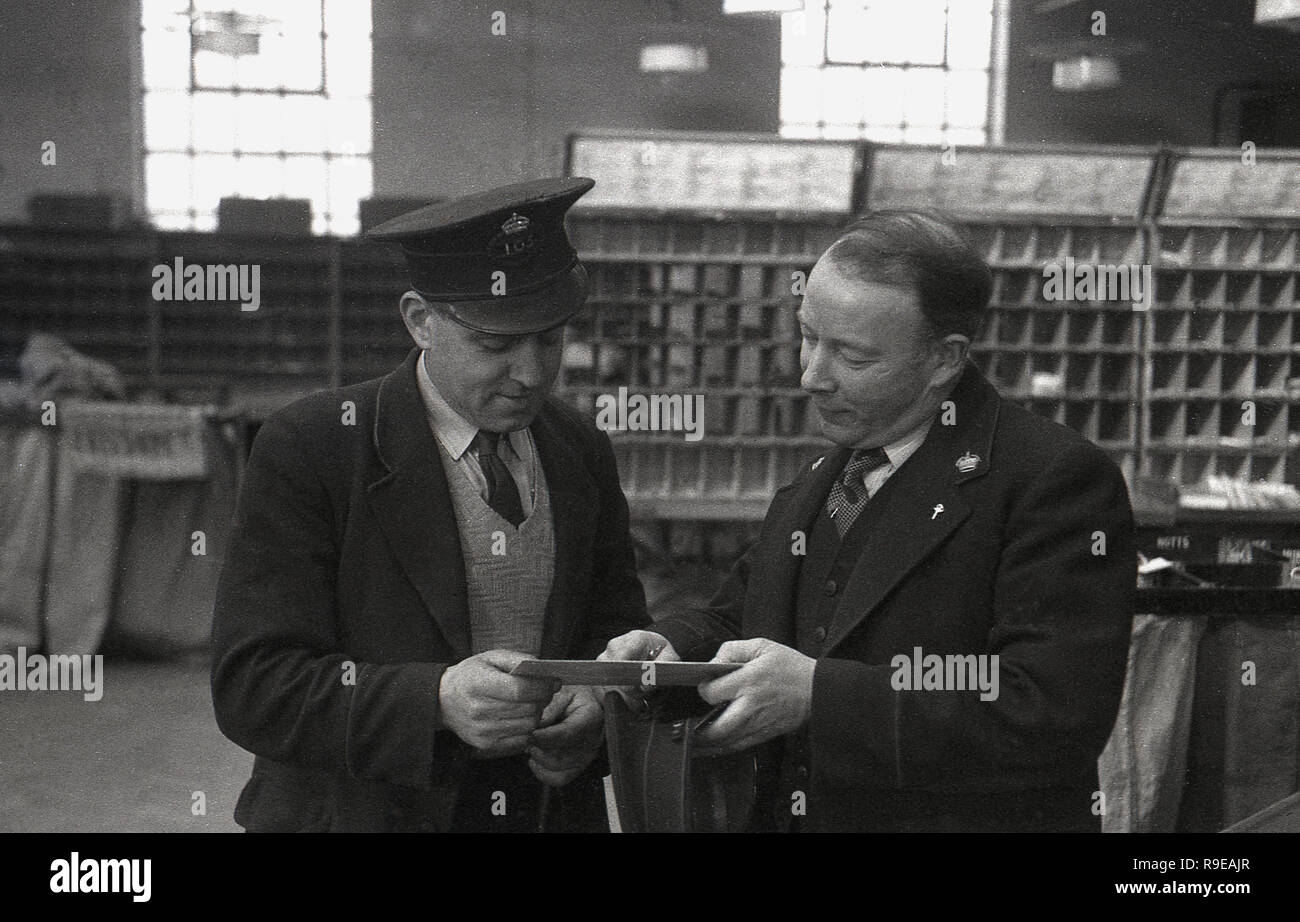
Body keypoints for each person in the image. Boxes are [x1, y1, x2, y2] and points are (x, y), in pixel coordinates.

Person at [603, 209, 1135, 832]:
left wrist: (819, 697)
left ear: (944, 360)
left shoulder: (1052, 480)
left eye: (852, 358)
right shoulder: (827, 478)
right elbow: (745, 615)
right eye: (807, 336)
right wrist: (672, 653)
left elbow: (1049, 713)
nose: (811, 376)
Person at [211, 177, 649, 832]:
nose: (530, 373)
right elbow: (255, 685)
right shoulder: (314, 448)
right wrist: (436, 702)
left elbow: (614, 626)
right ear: (420, 321)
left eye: (551, 339)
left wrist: (596, 703)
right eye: (495, 345)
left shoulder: (579, 449)